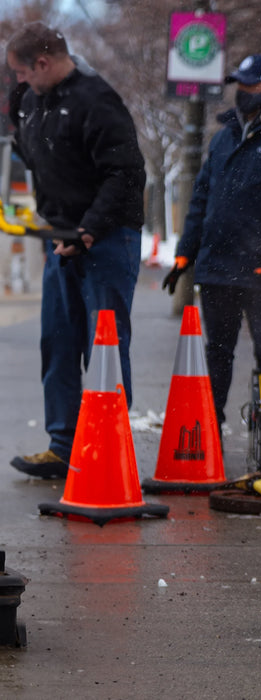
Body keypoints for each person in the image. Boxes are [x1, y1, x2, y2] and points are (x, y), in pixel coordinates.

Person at [6, 22, 146, 478]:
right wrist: (57, 222)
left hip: (107, 239)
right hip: (60, 237)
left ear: (44, 63)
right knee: (59, 343)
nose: (19, 81)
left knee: (103, 345)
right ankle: (63, 445)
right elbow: (35, 159)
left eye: (23, 72)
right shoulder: (30, 102)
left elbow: (125, 175)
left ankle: (109, 446)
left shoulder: (96, 101)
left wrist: (87, 229)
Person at [163, 54, 261, 431]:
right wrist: (186, 251)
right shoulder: (223, 138)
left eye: (252, 85)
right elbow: (202, 199)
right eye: (240, 84)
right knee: (217, 352)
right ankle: (210, 428)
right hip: (218, 266)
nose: (243, 92)